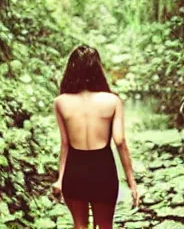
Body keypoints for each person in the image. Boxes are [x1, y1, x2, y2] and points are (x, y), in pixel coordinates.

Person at [51, 45, 139, 229]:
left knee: (80, 226)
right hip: (103, 169)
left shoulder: (61, 102)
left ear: (71, 69)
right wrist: (132, 182)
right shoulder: (112, 101)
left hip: (75, 170)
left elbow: (65, 144)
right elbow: (120, 141)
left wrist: (60, 178)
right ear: (97, 68)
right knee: (105, 226)